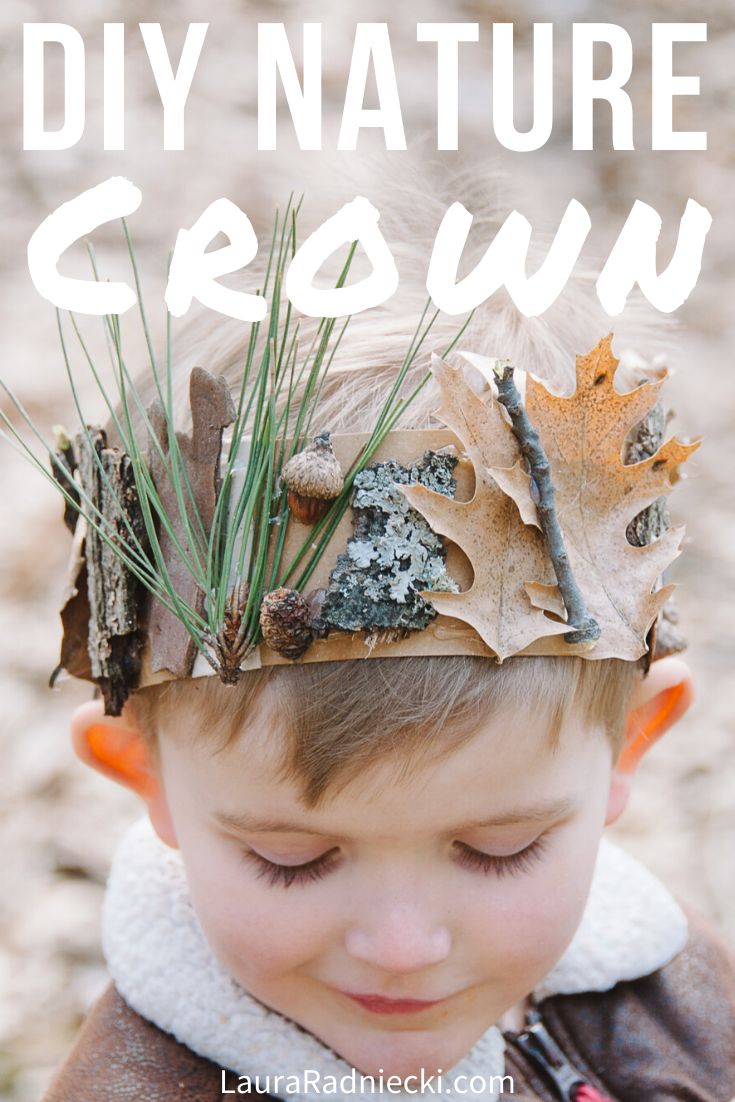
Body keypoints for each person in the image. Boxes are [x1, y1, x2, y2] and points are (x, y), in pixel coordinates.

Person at [37, 175, 735, 1101]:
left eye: (500, 849)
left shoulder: (670, 990)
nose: (403, 949)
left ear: (632, 741)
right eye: (292, 860)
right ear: (144, 776)